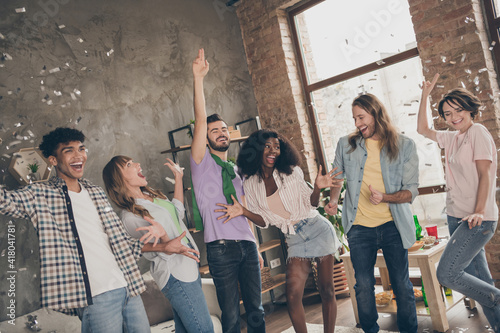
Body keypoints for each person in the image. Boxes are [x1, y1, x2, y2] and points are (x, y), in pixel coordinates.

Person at [0, 127, 172, 333]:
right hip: (96, 297)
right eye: (69, 151)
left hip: (128, 288)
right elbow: (4, 201)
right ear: (53, 160)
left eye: (81, 149)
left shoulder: (96, 192)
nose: (78, 155)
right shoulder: (40, 194)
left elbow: (122, 243)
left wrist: (166, 246)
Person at [215, 129, 343, 333]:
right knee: (292, 297)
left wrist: (317, 188)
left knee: (327, 290)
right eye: (267, 146)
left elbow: (311, 204)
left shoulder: (292, 172)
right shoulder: (250, 184)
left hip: (317, 229)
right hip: (294, 239)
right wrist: (243, 211)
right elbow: (263, 221)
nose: (273, 151)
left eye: (277, 146)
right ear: (257, 150)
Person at [325, 94, 419, 333]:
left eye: (361, 117)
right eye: (354, 118)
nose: (357, 123)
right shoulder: (346, 144)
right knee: (364, 285)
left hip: (393, 225)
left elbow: (411, 191)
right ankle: (370, 330)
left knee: (401, 284)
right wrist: (334, 201)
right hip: (359, 226)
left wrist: (385, 197)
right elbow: (337, 177)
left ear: (375, 113)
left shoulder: (404, 145)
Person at [190, 48, 265, 333]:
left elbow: (246, 210)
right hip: (221, 249)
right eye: (214, 131)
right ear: (205, 139)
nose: (221, 133)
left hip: (247, 245)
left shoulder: (237, 170)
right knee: (232, 316)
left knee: (256, 311)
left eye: (224, 129)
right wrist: (198, 79)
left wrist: (255, 245)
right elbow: (199, 120)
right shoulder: (200, 164)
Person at [418, 74, 500, 332]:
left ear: (469, 109)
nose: (453, 117)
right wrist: (425, 94)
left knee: (447, 274)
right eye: (447, 113)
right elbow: (422, 129)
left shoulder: (478, 132)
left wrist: (478, 210)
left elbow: (486, 174)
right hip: (456, 217)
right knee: (480, 279)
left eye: (458, 110)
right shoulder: (452, 138)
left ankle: (497, 298)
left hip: (478, 219)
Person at [102, 155, 213, 333]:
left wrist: (178, 178)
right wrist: (162, 237)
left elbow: (178, 212)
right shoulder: (130, 216)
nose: (138, 164)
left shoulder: (150, 195)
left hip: (189, 266)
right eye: (129, 164)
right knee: (203, 329)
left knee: (185, 329)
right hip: (175, 274)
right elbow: (150, 250)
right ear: (119, 179)